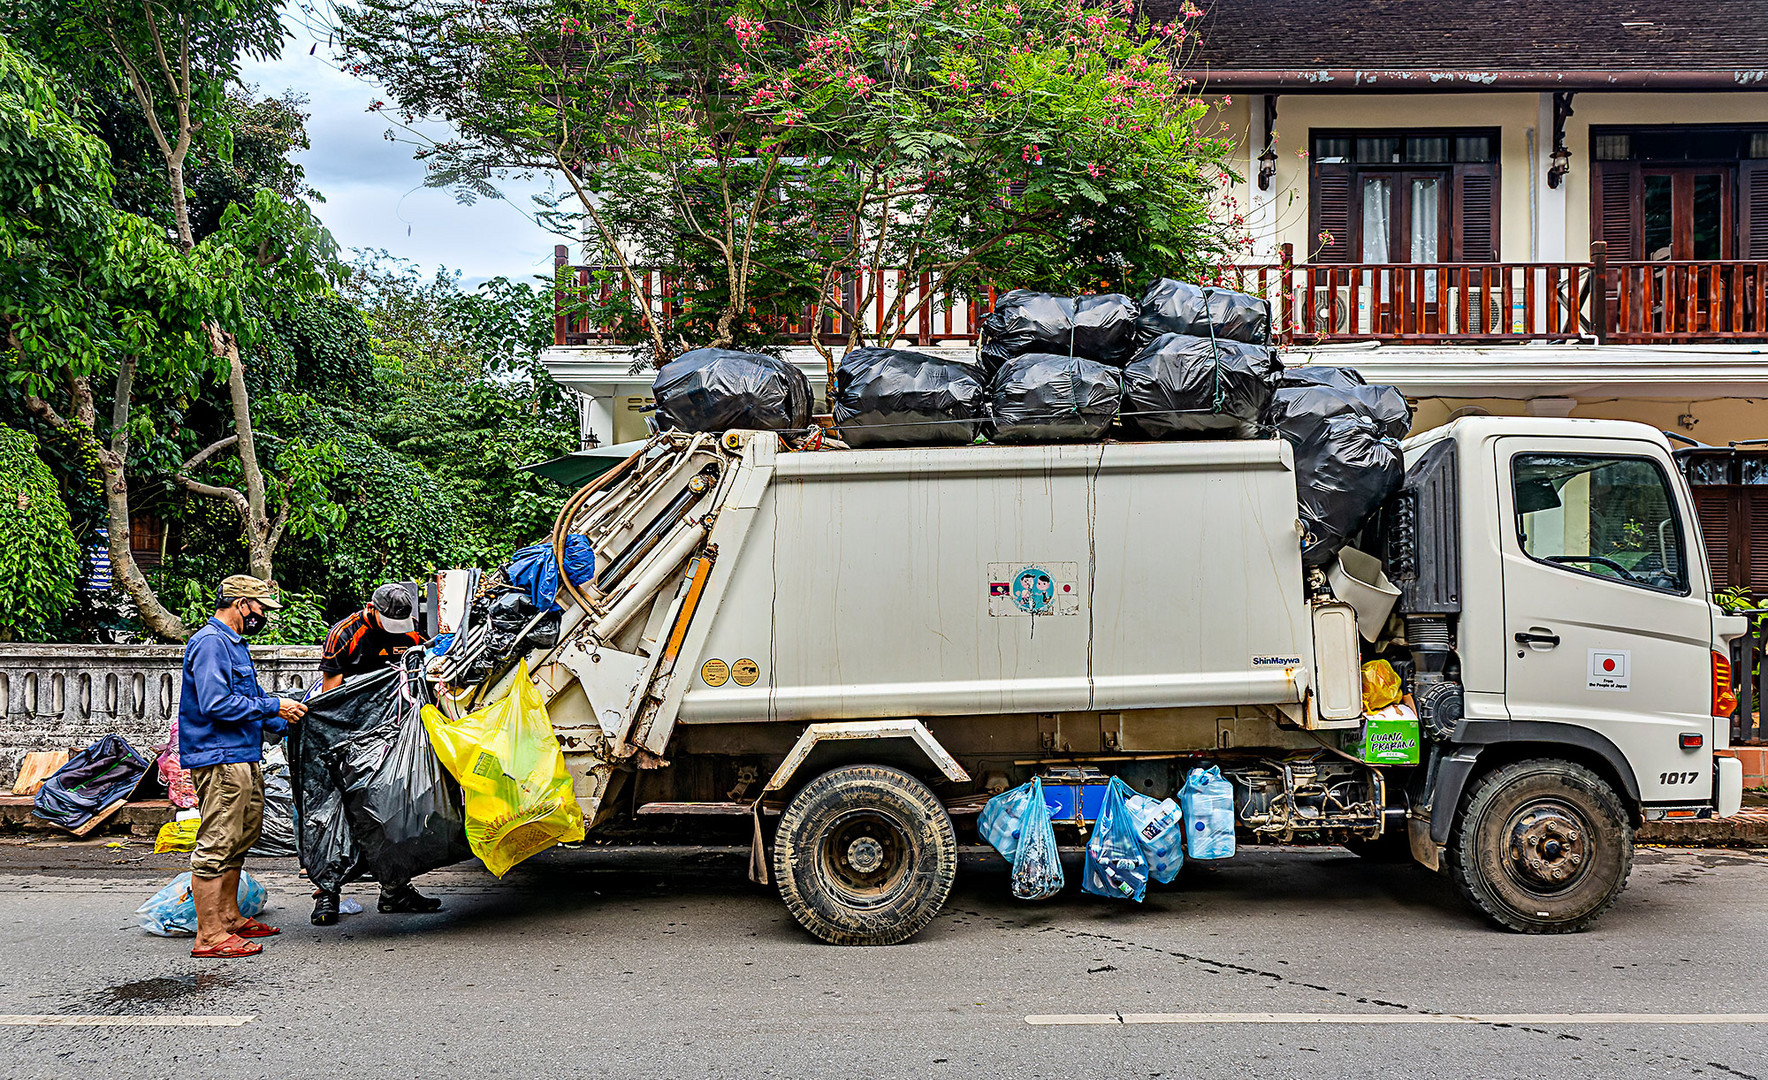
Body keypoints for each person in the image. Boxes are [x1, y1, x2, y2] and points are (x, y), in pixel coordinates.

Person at [180, 574, 308, 959]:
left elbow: (248, 701)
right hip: (220, 759)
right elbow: (216, 704)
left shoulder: (234, 645)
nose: (263, 615)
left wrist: (285, 720)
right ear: (240, 604)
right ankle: (210, 935)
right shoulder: (210, 644)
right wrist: (274, 706)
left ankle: (230, 918)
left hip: (242, 755)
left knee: (240, 838)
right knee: (218, 842)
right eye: (260, 608)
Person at [309, 582, 443, 925]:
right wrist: (342, 744)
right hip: (351, 731)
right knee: (336, 814)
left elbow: (419, 680)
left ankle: (395, 890)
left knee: (392, 811)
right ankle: (327, 894)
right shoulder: (345, 633)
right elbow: (331, 694)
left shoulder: (411, 635)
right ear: (373, 609)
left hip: (392, 732)